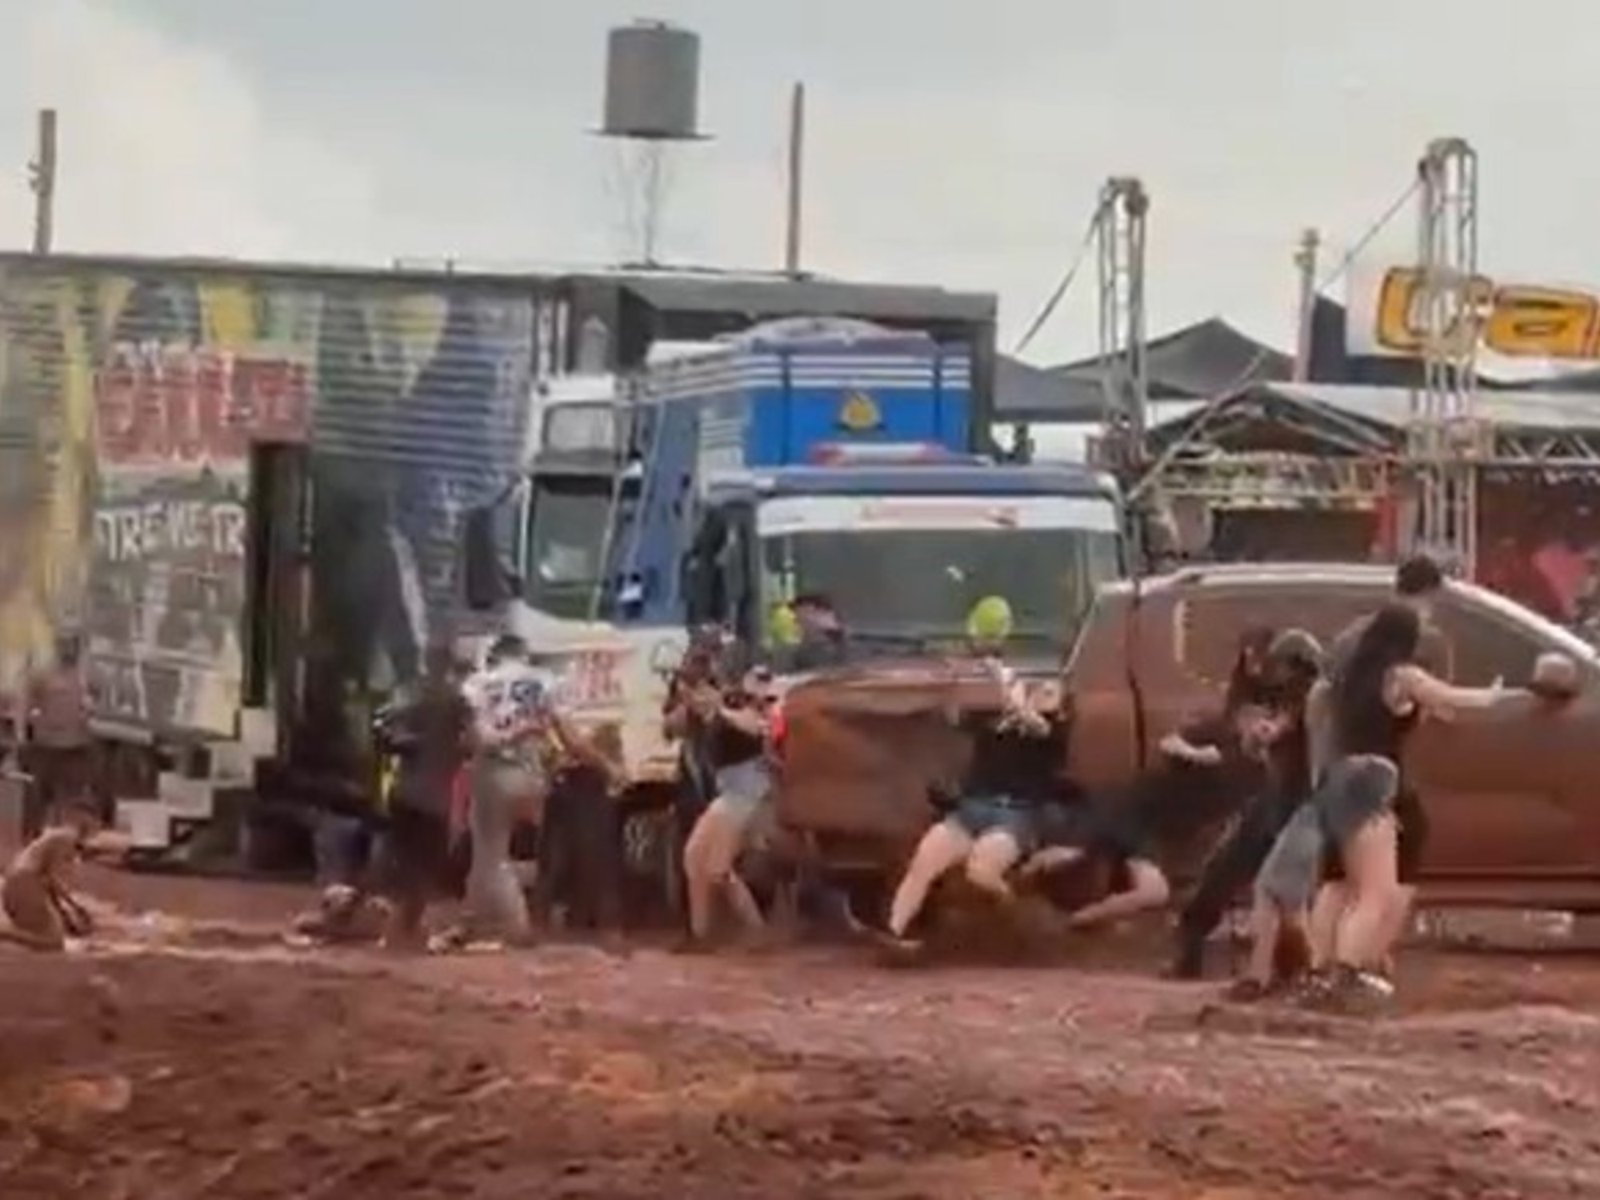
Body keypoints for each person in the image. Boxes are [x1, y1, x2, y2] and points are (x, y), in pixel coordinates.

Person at [1307, 602, 1503, 1002]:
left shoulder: (1345, 678)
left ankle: (1318, 970)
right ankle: (1347, 974)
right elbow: (1455, 698)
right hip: (1373, 779)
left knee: (1338, 884)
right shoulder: (1400, 675)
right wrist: (1494, 694)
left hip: (1337, 778)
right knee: (1377, 891)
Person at [1021, 629, 1275, 931]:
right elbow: (1168, 742)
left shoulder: (1260, 767)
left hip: (1151, 830)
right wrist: (1197, 754)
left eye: (1267, 721)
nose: (1260, 727)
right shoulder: (1217, 732)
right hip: (1135, 810)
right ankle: (1025, 886)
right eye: (1255, 718)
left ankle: (1075, 923)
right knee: (1084, 856)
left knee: (1145, 887)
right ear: (1241, 717)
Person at [1307, 554, 1450, 968]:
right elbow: (1436, 703)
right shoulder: (1420, 639)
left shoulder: (1356, 634)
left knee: (1337, 878)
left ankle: (1322, 967)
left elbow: (1321, 697)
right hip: (1385, 767)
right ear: (1432, 593)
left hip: (1337, 765)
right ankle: (1366, 960)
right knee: (1393, 875)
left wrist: (1321, 764)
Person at [880, 654, 1067, 954]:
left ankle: (1014, 914)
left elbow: (1037, 726)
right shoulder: (992, 724)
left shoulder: (1054, 735)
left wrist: (1012, 693)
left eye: (1049, 693)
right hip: (972, 810)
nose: (1041, 694)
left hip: (1014, 816)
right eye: (1040, 690)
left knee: (981, 872)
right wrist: (984, 679)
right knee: (924, 862)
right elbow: (957, 716)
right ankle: (895, 933)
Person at [1169, 630, 1324, 979]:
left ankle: (1285, 969)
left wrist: (1262, 732)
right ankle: (1202, 952)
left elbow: (1276, 731)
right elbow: (1263, 740)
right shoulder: (1297, 697)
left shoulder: (1310, 696)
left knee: (1277, 889)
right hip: (1279, 798)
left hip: (1298, 802)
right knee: (1231, 874)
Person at [449, 634, 554, 949]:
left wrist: (510, 735)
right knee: (486, 857)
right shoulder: (544, 681)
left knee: (493, 855)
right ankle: (472, 920)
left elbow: (482, 739)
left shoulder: (476, 685)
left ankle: (517, 926)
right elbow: (554, 724)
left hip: (495, 772)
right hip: (533, 774)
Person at [373, 641, 473, 950]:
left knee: (404, 864)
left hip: (406, 790)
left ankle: (397, 931)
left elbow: (381, 731)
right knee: (425, 867)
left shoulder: (409, 697)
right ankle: (402, 931)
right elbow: (471, 741)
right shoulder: (457, 701)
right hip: (434, 797)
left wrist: (408, 744)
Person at [679, 664, 780, 952]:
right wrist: (699, 702)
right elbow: (677, 721)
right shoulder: (715, 712)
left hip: (748, 794)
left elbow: (753, 727)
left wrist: (719, 707)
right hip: (730, 794)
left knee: (717, 870)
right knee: (693, 857)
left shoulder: (750, 710)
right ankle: (699, 934)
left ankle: (757, 931)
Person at [1, 804, 108, 951]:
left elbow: (49, 884)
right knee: (52, 942)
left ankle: (7, 935)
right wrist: (75, 907)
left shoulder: (59, 836)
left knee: (49, 936)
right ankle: (4, 934)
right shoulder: (66, 839)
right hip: (23, 883)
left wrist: (66, 914)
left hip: (19, 884)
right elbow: (53, 880)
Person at [22, 635, 95, 839]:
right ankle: (32, 838)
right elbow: (27, 703)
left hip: (75, 746)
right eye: (64, 646)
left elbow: (92, 705)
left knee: (70, 799)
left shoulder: (83, 676)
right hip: (45, 745)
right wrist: (26, 730)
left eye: (72, 646)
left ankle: (63, 841)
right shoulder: (41, 675)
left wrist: (87, 717)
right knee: (37, 796)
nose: (68, 651)